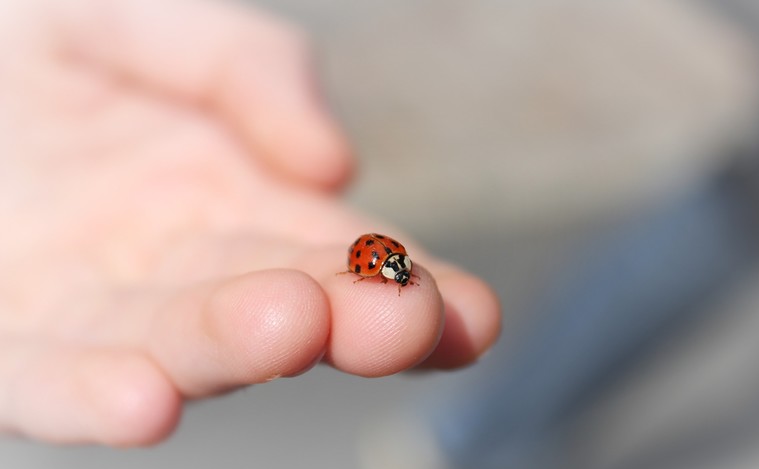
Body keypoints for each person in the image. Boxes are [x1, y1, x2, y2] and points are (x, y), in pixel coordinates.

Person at [0, 0, 501, 446]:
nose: (395, 274)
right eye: (392, 271)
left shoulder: (383, 262)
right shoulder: (380, 261)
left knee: (292, 314)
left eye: (391, 273)